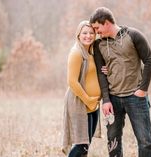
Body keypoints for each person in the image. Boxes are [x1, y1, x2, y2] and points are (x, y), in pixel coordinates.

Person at [90, 7, 151, 157]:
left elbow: (150, 61)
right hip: (113, 99)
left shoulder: (133, 35)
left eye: (96, 27)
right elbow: (101, 73)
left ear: (106, 22)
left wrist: (142, 90)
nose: (96, 32)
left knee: (144, 141)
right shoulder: (98, 44)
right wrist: (106, 99)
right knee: (113, 141)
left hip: (136, 97)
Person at [61, 20, 101, 157]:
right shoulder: (76, 53)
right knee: (81, 146)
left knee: (86, 145)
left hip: (93, 105)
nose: (88, 36)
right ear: (78, 35)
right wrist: (88, 100)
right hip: (80, 103)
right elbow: (72, 81)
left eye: (91, 33)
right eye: (84, 33)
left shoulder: (91, 53)